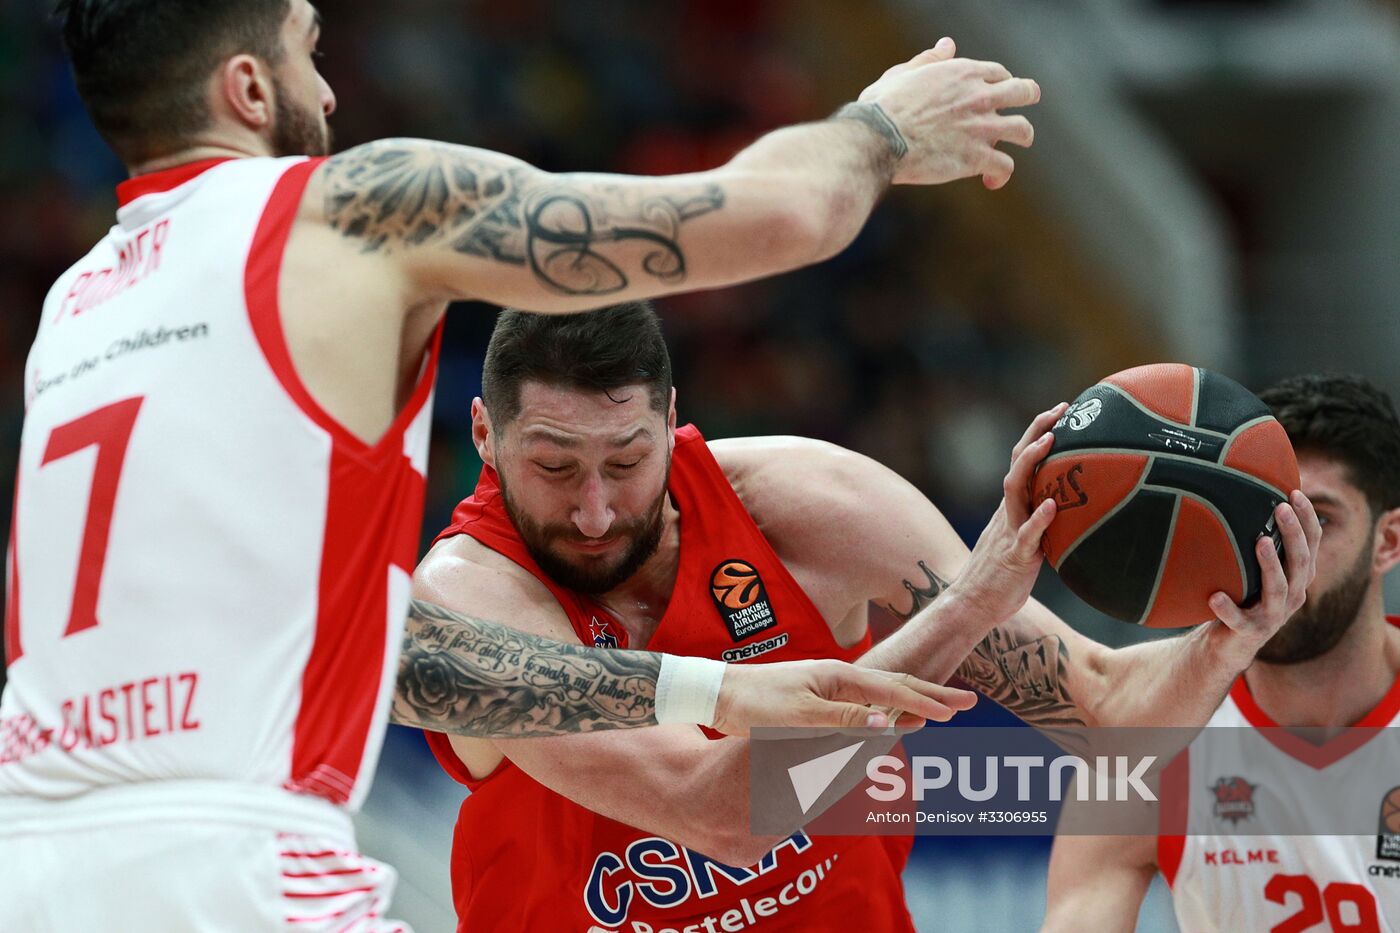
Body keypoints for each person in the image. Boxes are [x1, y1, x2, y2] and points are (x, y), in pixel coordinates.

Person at [0, 0, 1047, 929]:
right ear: (245, 86)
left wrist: (714, 692)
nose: (325, 89)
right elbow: (779, 214)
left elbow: (403, 667)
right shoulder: (352, 209)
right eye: (308, 51)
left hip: (30, 859)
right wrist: (879, 127)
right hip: (231, 856)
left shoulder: (76, 315)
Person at [413, 303, 1319, 932]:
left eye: (627, 459)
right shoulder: (468, 598)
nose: (598, 509)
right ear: (486, 436)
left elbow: (1110, 715)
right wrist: (966, 610)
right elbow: (716, 812)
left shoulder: (807, 505)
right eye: (555, 466)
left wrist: (1226, 641)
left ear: (672, 419)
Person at [1042, 373, 1400, 932]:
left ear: (1389, 542)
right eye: (1268, 518)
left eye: (1319, 522)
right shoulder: (1153, 737)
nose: (1287, 555)